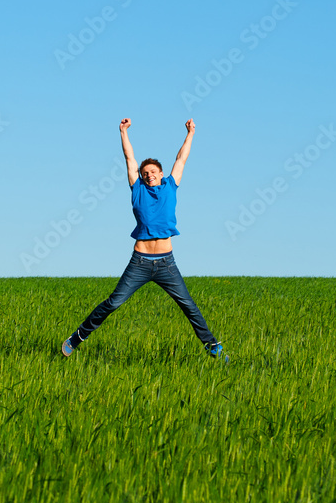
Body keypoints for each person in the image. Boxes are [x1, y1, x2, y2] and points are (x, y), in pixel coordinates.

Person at [61, 118, 228, 362]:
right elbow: (129, 159)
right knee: (114, 302)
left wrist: (191, 133)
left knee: (188, 306)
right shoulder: (137, 189)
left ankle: (212, 346)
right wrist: (123, 132)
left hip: (166, 264)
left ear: (161, 174)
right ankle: (77, 337)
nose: (148, 175)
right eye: (145, 172)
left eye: (153, 172)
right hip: (140, 262)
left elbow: (181, 159)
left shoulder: (171, 186)